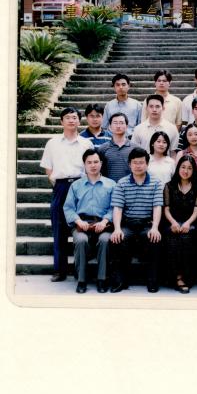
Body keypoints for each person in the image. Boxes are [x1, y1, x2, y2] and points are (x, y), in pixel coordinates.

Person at [39, 107, 93, 282]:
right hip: (61, 187)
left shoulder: (86, 143)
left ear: (79, 121)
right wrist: (58, 185)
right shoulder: (52, 143)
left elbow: (91, 166)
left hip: (81, 186)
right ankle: (59, 270)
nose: (71, 120)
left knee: (82, 229)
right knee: (59, 230)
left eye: (74, 117)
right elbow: (48, 168)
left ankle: (80, 270)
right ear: (61, 121)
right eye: (68, 117)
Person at [109, 147, 163, 293]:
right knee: (118, 239)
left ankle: (152, 281)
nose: (138, 166)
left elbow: (157, 206)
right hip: (128, 223)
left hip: (147, 224)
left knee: (155, 239)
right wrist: (117, 228)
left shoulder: (156, 183)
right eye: (135, 163)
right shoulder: (122, 183)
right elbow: (118, 208)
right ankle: (120, 281)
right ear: (129, 164)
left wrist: (155, 227)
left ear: (147, 164)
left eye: (141, 162)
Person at [63, 149, 115, 293]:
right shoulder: (76, 185)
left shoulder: (111, 184)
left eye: (96, 162)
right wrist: (78, 221)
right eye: (89, 162)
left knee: (105, 240)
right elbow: (68, 208)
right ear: (84, 165)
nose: (93, 165)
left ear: (101, 163)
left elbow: (115, 207)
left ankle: (102, 279)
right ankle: (81, 279)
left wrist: (105, 221)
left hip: (103, 224)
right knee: (81, 240)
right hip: (82, 224)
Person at [163, 155, 197, 293]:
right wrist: (173, 222)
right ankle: (177, 277)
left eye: (189, 168)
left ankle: (186, 276)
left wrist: (187, 223)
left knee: (187, 236)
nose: (186, 171)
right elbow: (166, 209)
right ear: (178, 168)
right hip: (172, 221)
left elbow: (196, 210)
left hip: (190, 222)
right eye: (183, 167)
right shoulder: (169, 186)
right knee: (173, 237)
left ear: (193, 171)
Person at [97, 113, 136, 183]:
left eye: (121, 123)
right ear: (110, 127)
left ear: (126, 126)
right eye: (115, 123)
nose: (118, 126)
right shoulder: (102, 149)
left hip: (129, 186)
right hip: (109, 187)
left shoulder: (135, 148)